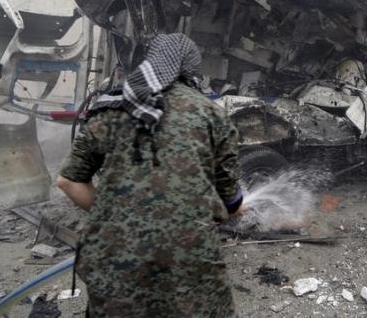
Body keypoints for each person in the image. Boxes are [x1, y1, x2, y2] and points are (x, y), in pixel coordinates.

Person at [56, 33, 243, 317]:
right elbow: (231, 201)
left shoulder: (110, 108)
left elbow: (68, 181)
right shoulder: (213, 116)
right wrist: (233, 207)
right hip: (190, 268)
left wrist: (118, 214)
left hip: (115, 266)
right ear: (190, 67)